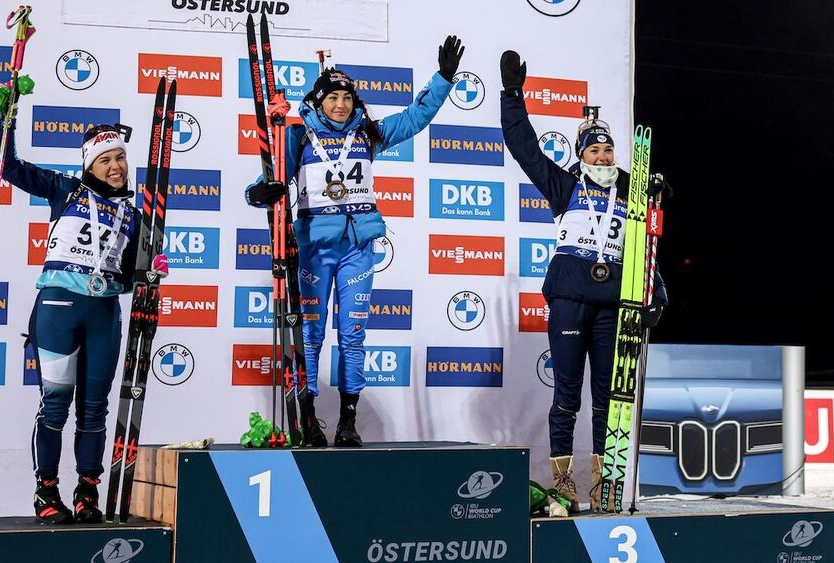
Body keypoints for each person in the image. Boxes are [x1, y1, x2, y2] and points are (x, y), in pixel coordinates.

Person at [245, 36, 465, 447]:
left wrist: (443, 79)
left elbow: (414, 118)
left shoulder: (368, 133)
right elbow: (270, 178)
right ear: (319, 101)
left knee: (353, 335)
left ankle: (348, 422)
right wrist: (258, 192)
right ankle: (308, 419)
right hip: (314, 249)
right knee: (310, 335)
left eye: (347, 97)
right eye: (333, 97)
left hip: (358, 250)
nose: (341, 104)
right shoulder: (298, 136)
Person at [498, 50, 670, 511]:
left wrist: (657, 293)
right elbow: (524, 147)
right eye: (594, 150)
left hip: (613, 304)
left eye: (608, 149)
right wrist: (512, 95)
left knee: (607, 401)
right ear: (581, 155)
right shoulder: (565, 186)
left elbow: (645, 251)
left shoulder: (631, 193)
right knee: (567, 396)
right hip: (571, 299)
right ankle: (564, 487)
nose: (603, 156)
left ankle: (601, 487)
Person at [0, 117, 168, 524]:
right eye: (105, 160)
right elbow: (8, 167)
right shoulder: (66, 190)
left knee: (95, 409)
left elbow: (129, 277)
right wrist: (7, 119)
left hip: (103, 312)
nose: (115, 166)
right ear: (89, 165)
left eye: (120, 158)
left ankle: (87, 492)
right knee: (55, 405)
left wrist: (148, 272)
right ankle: (46, 491)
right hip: (58, 307)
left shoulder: (135, 217)